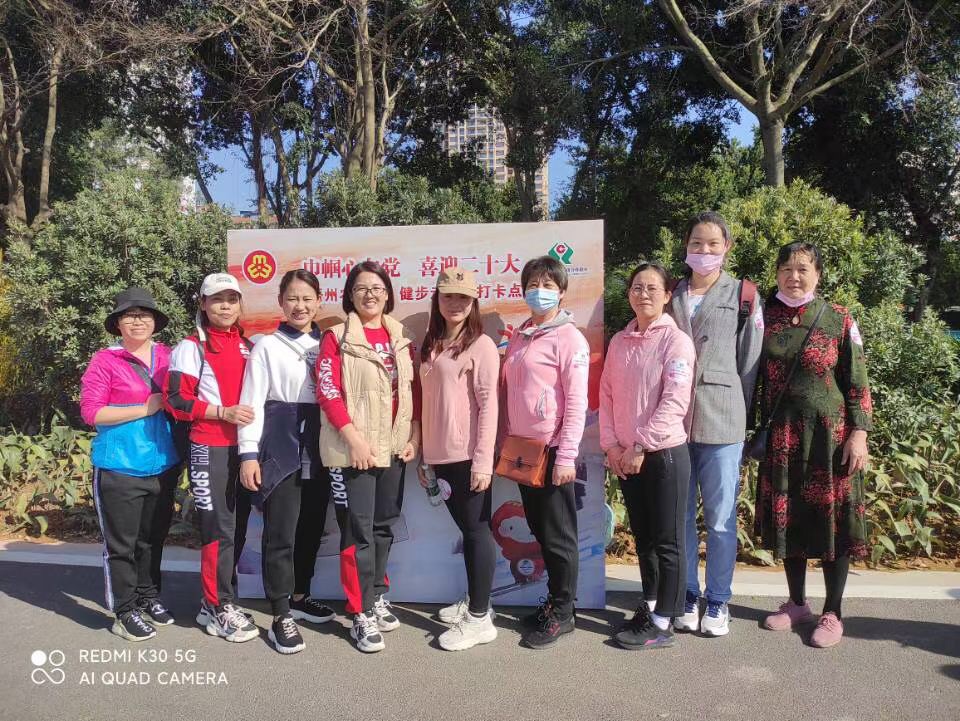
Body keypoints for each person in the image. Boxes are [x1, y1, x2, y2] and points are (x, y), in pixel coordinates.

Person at [754, 242, 872, 648]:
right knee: (790, 518)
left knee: (832, 523)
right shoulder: (763, 317)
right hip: (783, 438)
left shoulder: (838, 318)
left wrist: (859, 433)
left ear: (818, 274)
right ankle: (797, 603)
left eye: (803, 268)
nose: (794, 276)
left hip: (830, 440)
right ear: (776, 273)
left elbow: (857, 380)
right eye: (786, 268)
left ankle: (833, 611)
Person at [316, 260, 420, 653]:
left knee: (383, 526)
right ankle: (359, 612)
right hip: (355, 451)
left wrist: (413, 436)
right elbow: (328, 391)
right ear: (350, 295)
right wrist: (354, 440)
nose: (370, 294)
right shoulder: (336, 337)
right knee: (358, 531)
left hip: (393, 448)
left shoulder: (402, 337)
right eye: (361, 288)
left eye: (377, 287)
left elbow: (411, 392)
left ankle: (375, 594)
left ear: (388, 294)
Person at [668, 212, 764, 637]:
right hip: (674, 422)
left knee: (722, 519)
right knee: (681, 517)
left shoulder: (743, 294)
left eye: (712, 243)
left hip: (723, 419)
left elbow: (750, 363)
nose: (703, 251)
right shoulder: (672, 292)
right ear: (685, 246)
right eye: (696, 243)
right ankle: (688, 594)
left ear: (727, 247)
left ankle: (719, 599)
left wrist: (740, 414)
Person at [238, 269, 336, 655]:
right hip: (281, 445)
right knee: (280, 532)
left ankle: (300, 595)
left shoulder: (328, 344)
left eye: (307, 298)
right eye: (292, 298)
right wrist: (249, 453)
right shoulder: (266, 346)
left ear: (319, 302)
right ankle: (280, 614)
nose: (300, 305)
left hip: (321, 445)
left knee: (312, 526)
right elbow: (251, 403)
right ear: (281, 302)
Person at [601, 263, 696, 650]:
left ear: (667, 295)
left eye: (652, 288)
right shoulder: (619, 341)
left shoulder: (676, 342)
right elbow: (606, 394)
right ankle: (651, 606)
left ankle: (662, 623)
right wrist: (612, 446)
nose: (643, 294)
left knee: (667, 541)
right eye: (637, 287)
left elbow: (675, 400)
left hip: (663, 454)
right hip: (626, 456)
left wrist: (640, 445)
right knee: (644, 540)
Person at [80, 287, 181, 641]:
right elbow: (92, 412)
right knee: (121, 546)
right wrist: (145, 407)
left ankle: (148, 596)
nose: (138, 321)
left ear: (155, 321)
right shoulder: (105, 361)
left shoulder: (170, 357)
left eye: (144, 314)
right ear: (118, 323)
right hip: (119, 465)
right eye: (129, 315)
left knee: (152, 539)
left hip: (164, 463)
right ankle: (124, 611)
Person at [500, 255, 590, 650]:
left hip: (553, 450)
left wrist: (566, 456)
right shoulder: (521, 336)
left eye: (548, 285)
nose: (540, 291)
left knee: (558, 536)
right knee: (540, 530)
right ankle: (554, 601)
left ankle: (564, 613)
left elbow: (576, 403)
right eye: (533, 284)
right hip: (525, 450)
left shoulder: (570, 339)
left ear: (562, 292)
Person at [164, 272, 259, 643]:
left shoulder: (248, 345)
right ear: (203, 304)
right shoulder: (190, 347)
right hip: (208, 446)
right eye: (217, 299)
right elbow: (176, 400)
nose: (225, 306)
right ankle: (218, 607)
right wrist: (222, 412)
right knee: (217, 529)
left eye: (232, 299)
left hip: (245, 449)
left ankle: (218, 601)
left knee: (237, 526)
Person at [417, 267, 500, 652]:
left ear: (473, 302)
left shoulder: (481, 345)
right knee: (468, 531)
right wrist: (425, 457)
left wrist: (483, 461)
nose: (455, 303)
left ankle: (480, 618)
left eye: (463, 297)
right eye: (448, 295)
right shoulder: (432, 343)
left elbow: (489, 406)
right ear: (437, 298)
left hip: (468, 456)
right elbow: (427, 403)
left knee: (477, 531)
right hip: (440, 456)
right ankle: (477, 601)